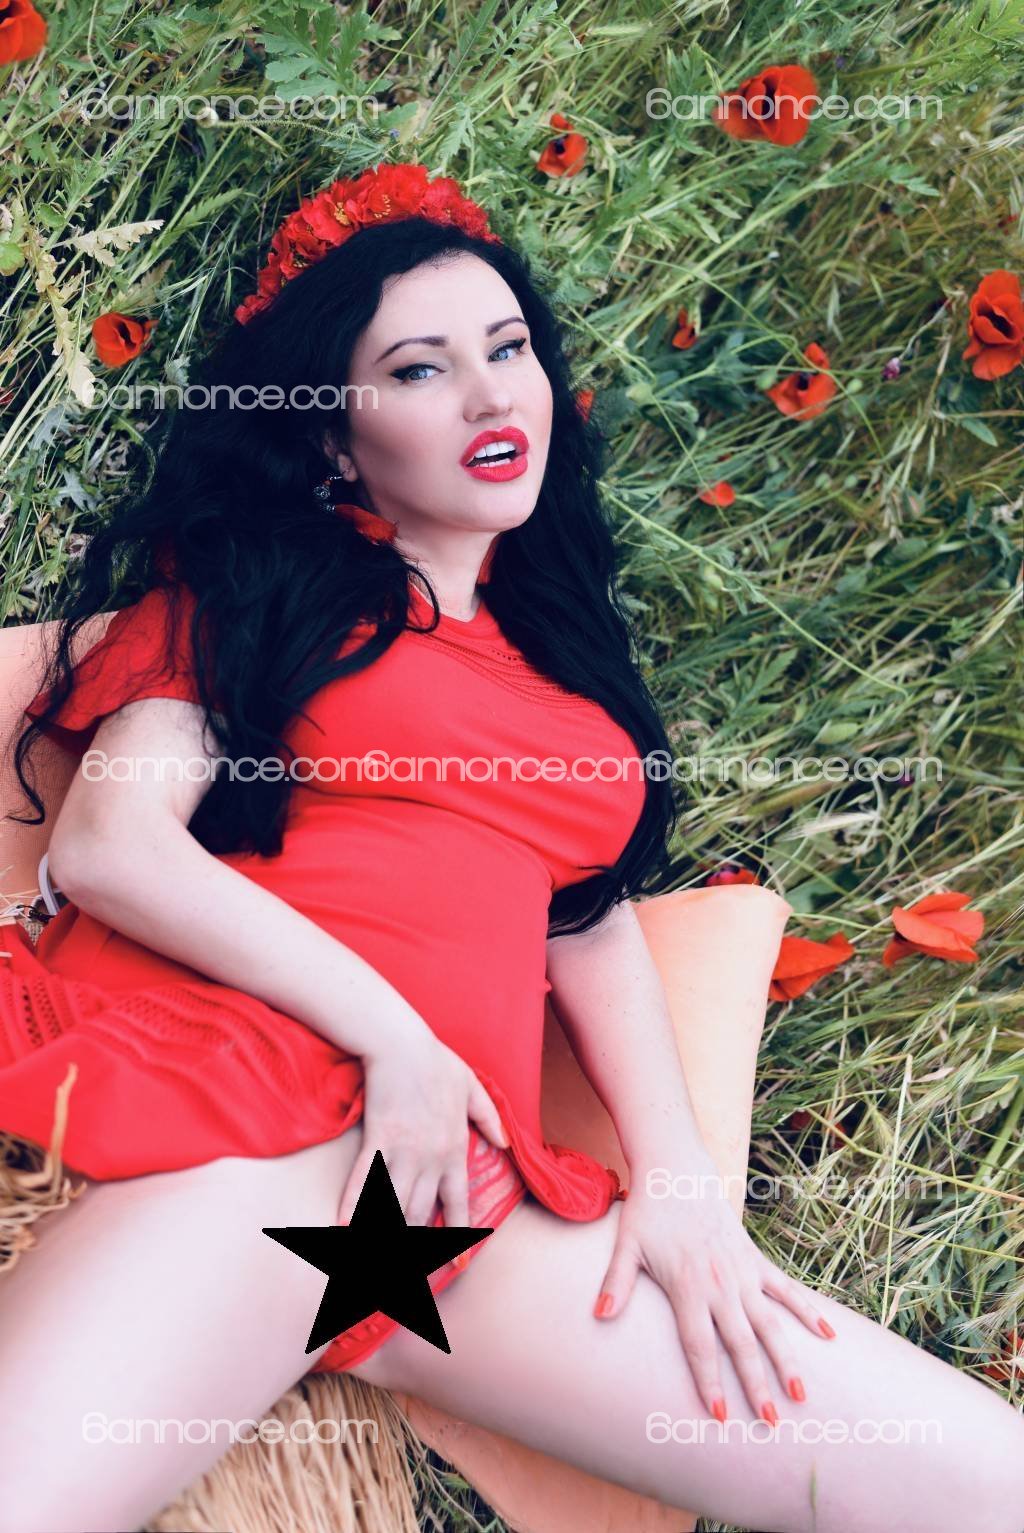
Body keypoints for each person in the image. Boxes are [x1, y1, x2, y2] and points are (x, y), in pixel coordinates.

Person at [1, 162, 1022, 1533]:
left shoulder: (569, 677)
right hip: (244, 1098)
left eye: (509, 349)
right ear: (332, 442)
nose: (491, 396)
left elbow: (582, 916)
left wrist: (682, 1189)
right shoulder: (249, 593)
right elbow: (112, 844)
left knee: (984, 1480)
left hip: (448, 1187)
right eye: (421, 370)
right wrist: (398, 1036)